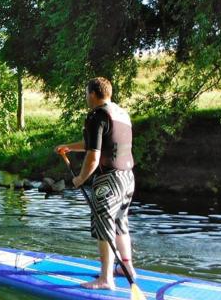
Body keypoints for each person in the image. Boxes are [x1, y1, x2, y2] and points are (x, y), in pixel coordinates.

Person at [55, 77, 136, 290]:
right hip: (127, 178)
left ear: (92, 94)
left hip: (109, 179)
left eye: (86, 94)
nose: (85, 98)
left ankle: (105, 279)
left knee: (103, 226)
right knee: (120, 223)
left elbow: (94, 156)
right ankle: (126, 267)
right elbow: (100, 142)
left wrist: (80, 179)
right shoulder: (120, 113)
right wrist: (70, 147)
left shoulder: (96, 116)